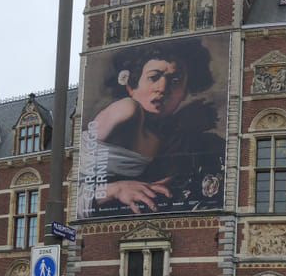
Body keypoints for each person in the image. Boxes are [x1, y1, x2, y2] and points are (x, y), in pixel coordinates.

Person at [79, 38, 224, 218]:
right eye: (153, 77)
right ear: (132, 87)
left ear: (186, 92)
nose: (162, 88)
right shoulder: (127, 110)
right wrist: (114, 189)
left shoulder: (166, 134)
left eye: (175, 80)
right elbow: (70, 191)